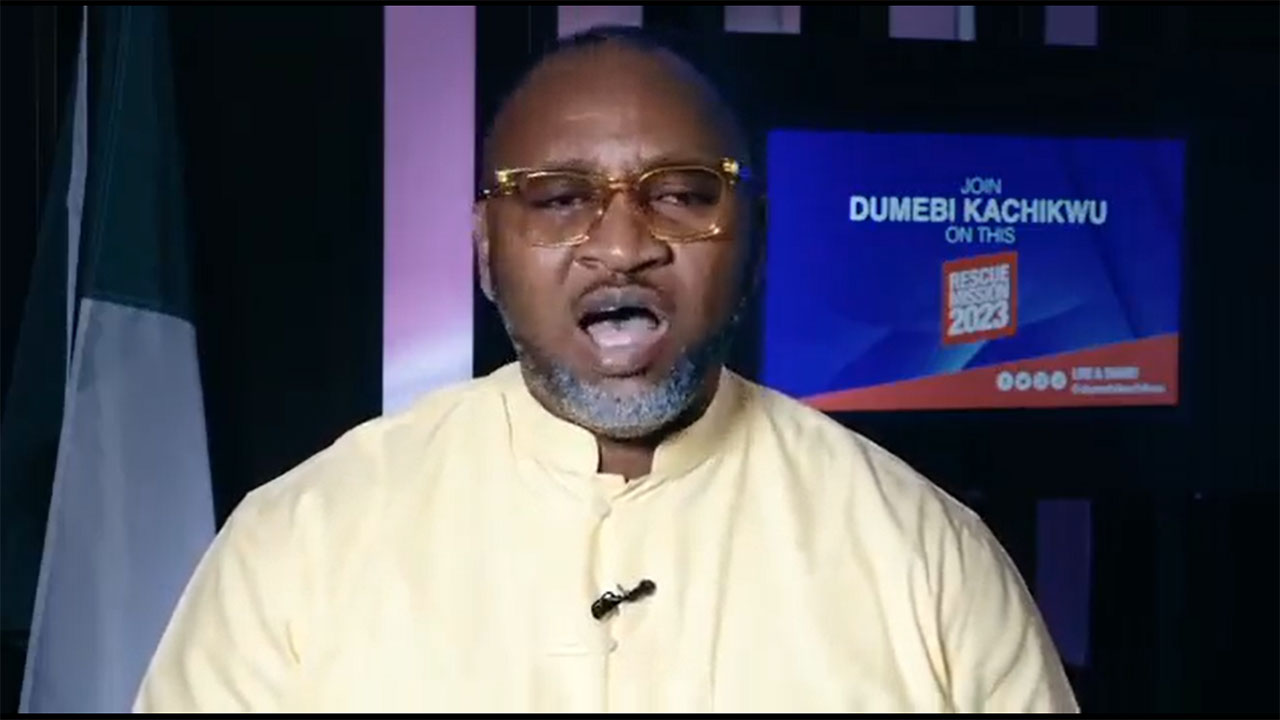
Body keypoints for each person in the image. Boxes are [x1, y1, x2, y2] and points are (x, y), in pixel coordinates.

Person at [134, 28, 1079, 713]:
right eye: (557, 199)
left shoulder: (926, 555)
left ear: (755, 241)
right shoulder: (298, 543)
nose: (623, 247)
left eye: (683, 196)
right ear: (486, 250)